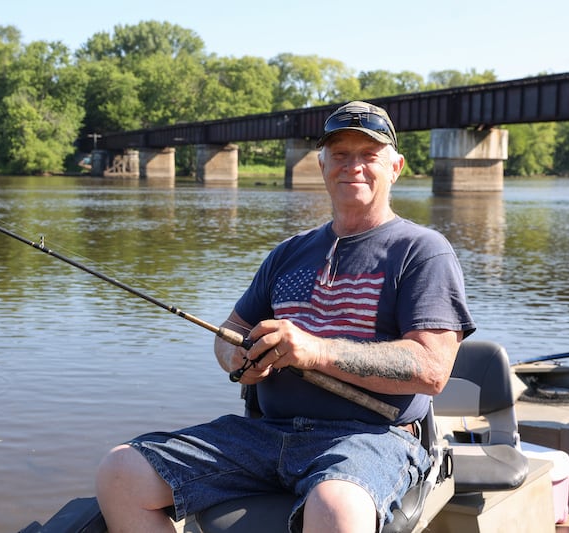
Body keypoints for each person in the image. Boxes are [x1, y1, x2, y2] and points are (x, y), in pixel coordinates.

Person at [95, 101, 476, 533]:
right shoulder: (289, 252)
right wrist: (237, 359)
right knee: (121, 472)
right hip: (265, 433)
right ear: (321, 165)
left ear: (395, 167)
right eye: (340, 154)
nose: (353, 166)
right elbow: (229, 332)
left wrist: (315, 351)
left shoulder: (423, 251)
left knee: (337, 505)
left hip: (371, 438)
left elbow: (431, 369)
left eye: (368, 155)